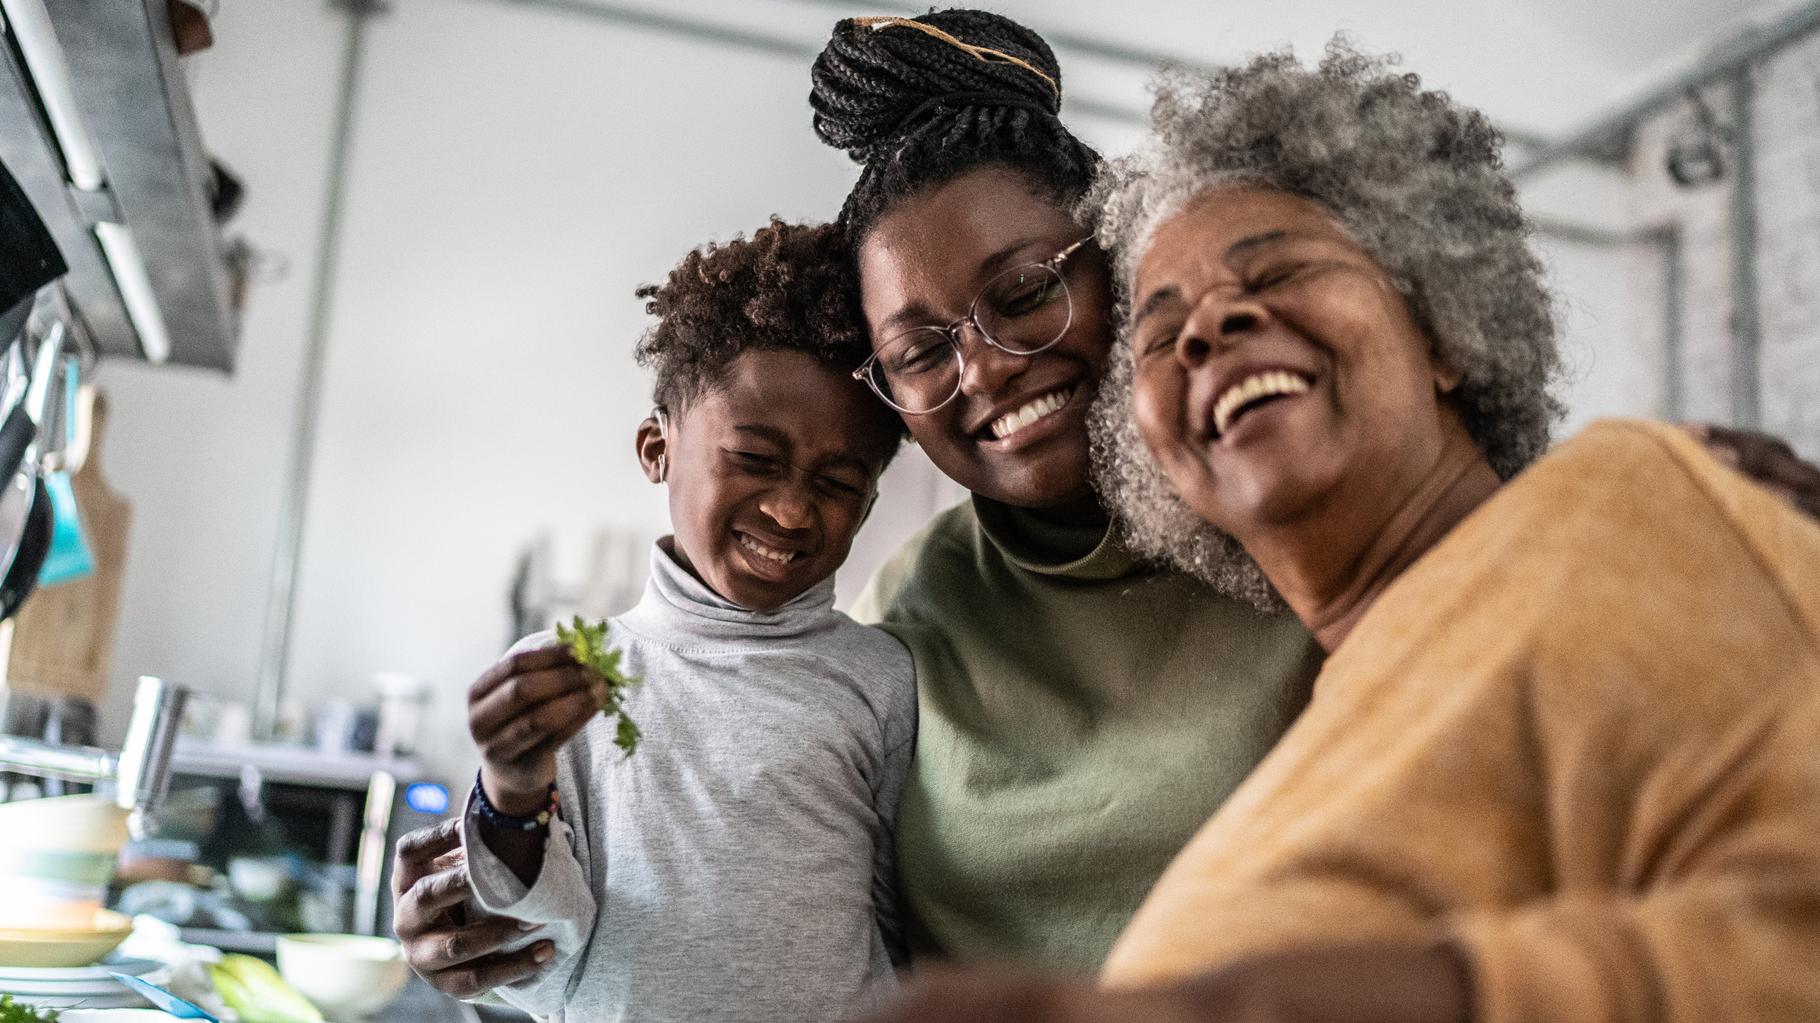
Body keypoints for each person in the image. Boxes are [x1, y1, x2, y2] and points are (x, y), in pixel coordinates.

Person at [392, 8, 1820, 994]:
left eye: (1027, 292)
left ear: (1115, 263)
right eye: (917, 353)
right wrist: (511, 889)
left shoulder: (1317, 534)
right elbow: (764, 893)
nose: (991, 367)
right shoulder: (906, 626)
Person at [867, 43, 1820, 1022]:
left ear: (1442, 327)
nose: (1209, 328)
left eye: (1275, 269)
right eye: (1161, 331)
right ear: (1143, 442)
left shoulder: (1621, 511)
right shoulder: (1321, 721)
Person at [448, 219, 916, 1022]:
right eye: (755, 461)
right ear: (655, 447)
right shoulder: (566, 675)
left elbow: (904, 932)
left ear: (870, 500)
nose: (791, 508)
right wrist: (512, 789)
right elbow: (532, 954)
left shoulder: (882, 680)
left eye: (837, 482)